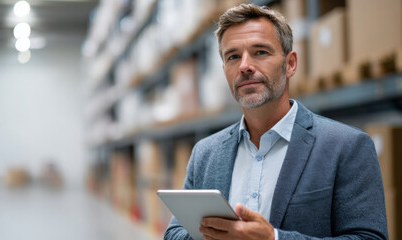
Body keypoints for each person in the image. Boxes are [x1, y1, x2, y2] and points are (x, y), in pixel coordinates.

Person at [164, 4, 387, 240]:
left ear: (290, 64)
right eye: (233, 56)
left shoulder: (347, 147)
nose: (244, 66)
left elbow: (369, 238)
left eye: (260, 52)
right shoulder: (206, 154)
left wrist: (274, 238)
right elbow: (174, 233)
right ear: (224, 69)